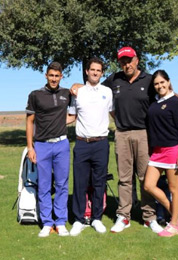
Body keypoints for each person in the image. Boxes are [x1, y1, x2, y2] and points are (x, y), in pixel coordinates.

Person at [70, 47, 178, 234]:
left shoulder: (149, 79)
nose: (126, 64)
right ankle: (124, 215)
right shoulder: (115, 79)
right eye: (123, 61)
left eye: (129, 60)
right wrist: (76, 85)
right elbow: (93, 85)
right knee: (125, 178)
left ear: (137, 60)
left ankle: (149, 216)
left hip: (145, 134)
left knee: (145, 177)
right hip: (121, 134)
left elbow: (169, 93)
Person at [66, 57, 114, 236]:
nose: (95, 73)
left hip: (101, 143)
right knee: (79, 183)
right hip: (82, 143)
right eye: (92, 70)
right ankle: (78, 219)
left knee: (98, 182)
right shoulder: (78, 92)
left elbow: (114, 113)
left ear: (102, 73)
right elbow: (71, 116)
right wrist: (49, 124)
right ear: (87, 71)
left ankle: (96, 218)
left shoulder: (107, 92)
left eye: (98, 70)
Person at [26, 61, 71, 237]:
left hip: (62, 144)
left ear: (61, 77)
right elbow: (29, 121)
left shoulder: (67, 94)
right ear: (46, 76)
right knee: (44, 185)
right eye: (51, 75)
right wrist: (30, 147)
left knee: (62, 184)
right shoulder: (35, 95)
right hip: (42, 145)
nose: (54, 79)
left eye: (57, 76)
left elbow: (75, 110)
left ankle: (60, 222)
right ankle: (47, 222)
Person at [143, 70, 178, 237]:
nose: (160, 86)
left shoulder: (176, 102)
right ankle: (175, 210)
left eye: (162, 82)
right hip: (157, 152)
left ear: (168, 82)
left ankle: (174, 224)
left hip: (172, 150)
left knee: (173, 188)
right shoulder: (154, 104)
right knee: (148, 185)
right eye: (156, 84)